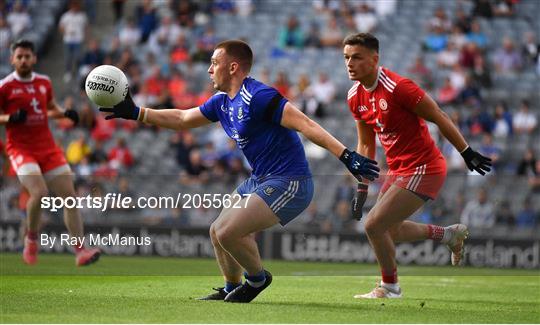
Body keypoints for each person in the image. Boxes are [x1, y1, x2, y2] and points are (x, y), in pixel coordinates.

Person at [99, 40, 379, 303]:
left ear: (233, 67)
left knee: (227, 232)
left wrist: (346, 156)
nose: (209, 69)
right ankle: (231, 289)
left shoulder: (259, 96)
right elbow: (183, 118)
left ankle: (257, 280)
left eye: (213, 62)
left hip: (290, 181)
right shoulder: (222, 102)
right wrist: (136, 112)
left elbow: (305, 123)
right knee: (215, 232)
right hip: (259, 179)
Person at [342, 33, 491, 299]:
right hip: (400, 169)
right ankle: (448, 236)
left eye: (356, 57)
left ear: (375, 59)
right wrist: (362, 186)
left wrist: (466, 152)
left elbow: (439, 115)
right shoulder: (354, 96)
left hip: (425, 167)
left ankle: (390, 287)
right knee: (390, 230)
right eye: (346, 57)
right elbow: (365, 145)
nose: (350, 63)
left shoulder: (398, 87)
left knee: (373, 225)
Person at [0, 39, 100, 266]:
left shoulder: (44, 82)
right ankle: (31, 240)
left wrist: (66, 113)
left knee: (71, 198)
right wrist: (9, 118)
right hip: (21, 149)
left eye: (27, 56)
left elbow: (49, 109)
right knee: (40, 193)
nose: (24, 60)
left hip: (47, 147)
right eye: (20, 56)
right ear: (12, 60)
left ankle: (80, 251)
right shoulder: (5, 87)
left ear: (34, 58)